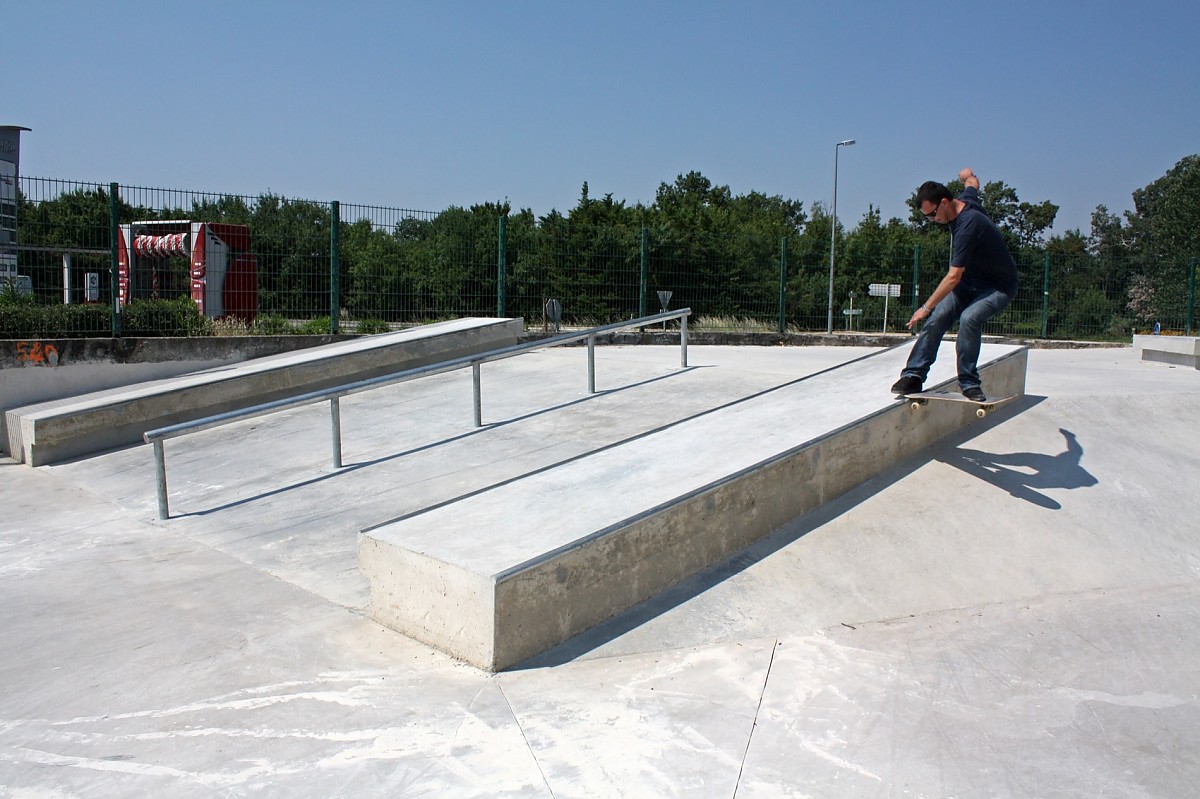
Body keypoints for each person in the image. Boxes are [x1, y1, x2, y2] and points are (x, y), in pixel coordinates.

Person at [890, 168, 1018, 401]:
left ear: (945, 202)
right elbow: (973, 183)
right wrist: (967, 175)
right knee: (940, 317)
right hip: (970, 283)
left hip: (998, 287)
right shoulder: (966, 200)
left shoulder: (968, 225)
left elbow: (953, 277)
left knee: (969, 318)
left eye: (932, 215)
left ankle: (969, 383)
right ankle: (913, 375)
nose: (932, 220)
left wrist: (925, 307)